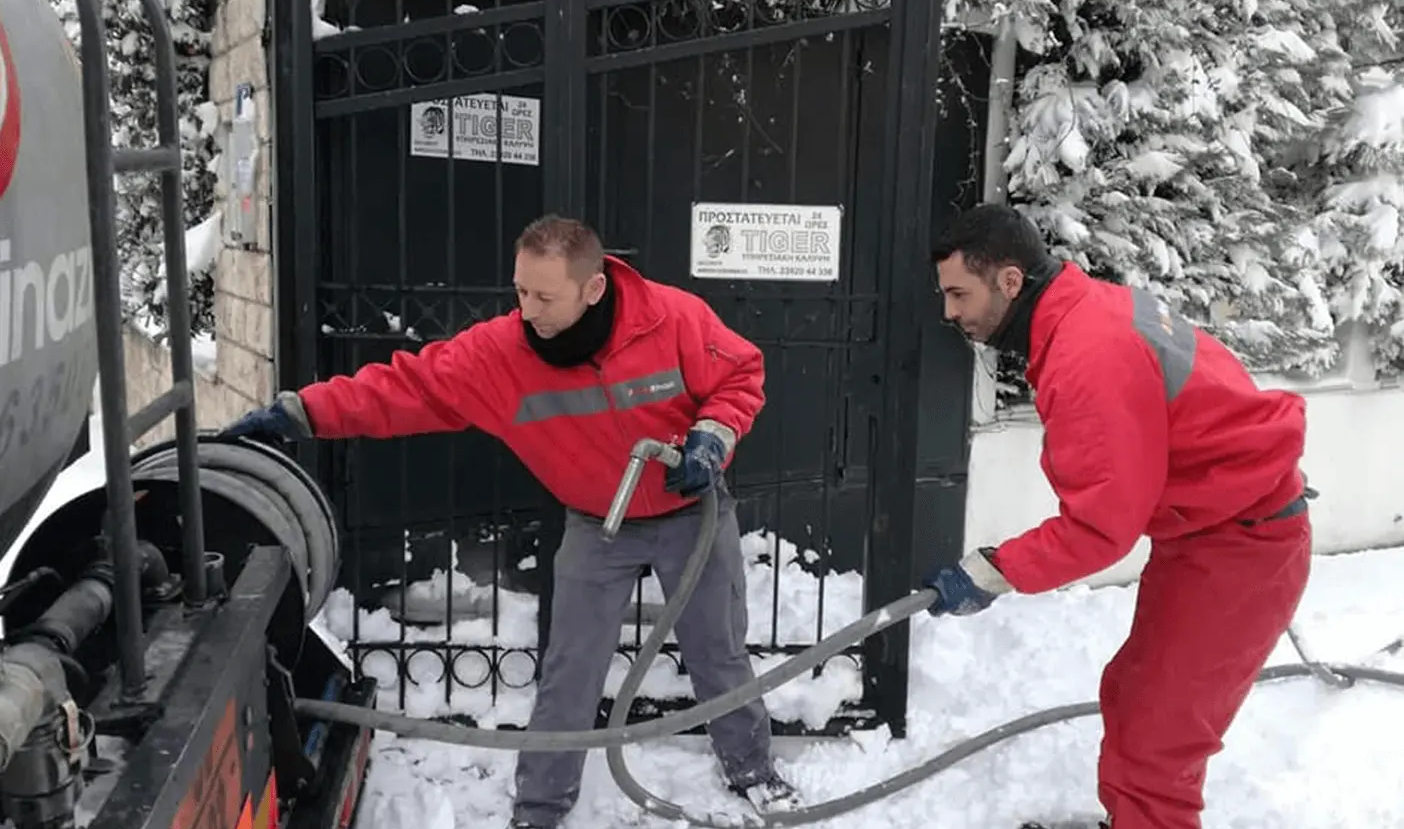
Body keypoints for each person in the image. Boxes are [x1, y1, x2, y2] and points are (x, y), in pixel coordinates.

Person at [222, 215, 798, 828]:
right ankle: (539, 808)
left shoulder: (672, 319)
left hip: (692, 515)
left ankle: (752, 769)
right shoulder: (501, 355)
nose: (529, 310)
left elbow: (739, 375)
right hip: (597, 525)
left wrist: (712, 437)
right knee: (569, 672)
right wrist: (298, 414)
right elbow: (404, 388)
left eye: (545, 296)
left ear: (593, 289)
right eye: (521, 291)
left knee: (719, 653)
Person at [921, 204, 1313, 829]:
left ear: (1010, 282)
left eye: (959, 294)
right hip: (1214, 530)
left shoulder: (1087, 354)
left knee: (1156, 744)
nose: (950, 313)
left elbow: (1101, 527)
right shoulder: (1093, 309)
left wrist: (993, 572)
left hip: (1241, 547)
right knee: (1135, 696)